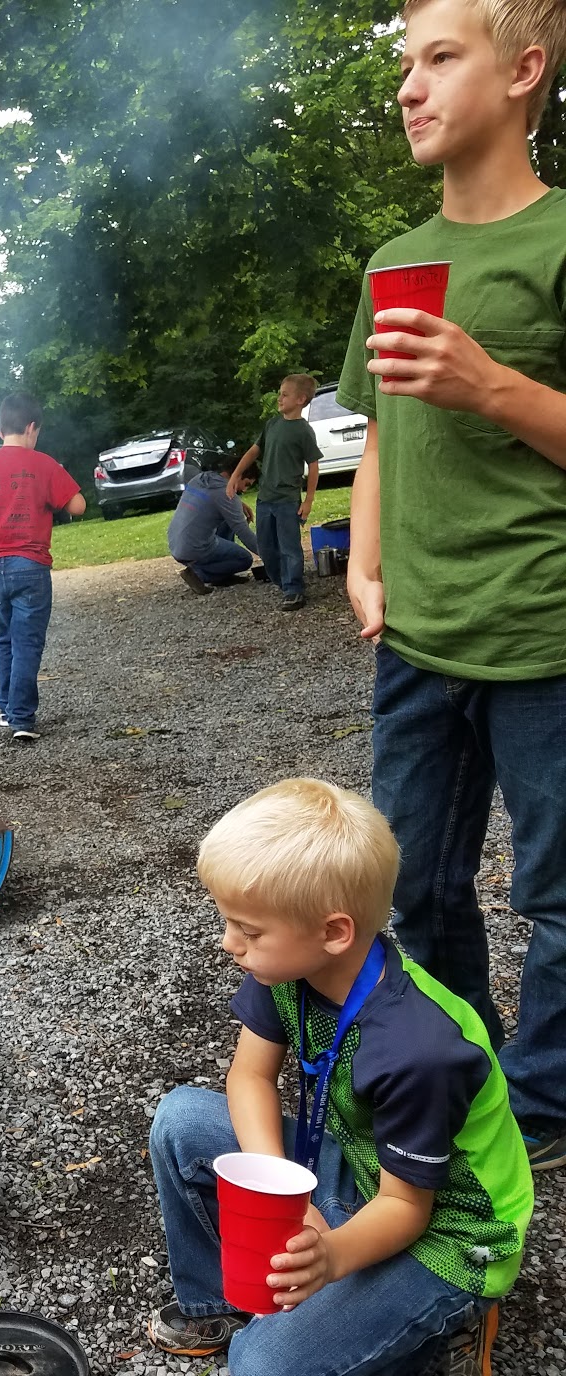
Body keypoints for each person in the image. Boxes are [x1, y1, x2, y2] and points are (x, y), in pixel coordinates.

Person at [336, 0, 566, 1173]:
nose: (409, 88)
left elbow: (484, 405)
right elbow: (378, 432)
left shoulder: (562, 243)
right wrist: (365, 562)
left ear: (523, 70)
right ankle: (457, 1074)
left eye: (440, 59)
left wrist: (497, 387)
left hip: (545, 635)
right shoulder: (393, 262)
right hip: (415, 638)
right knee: (410, 890)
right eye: (404, 66)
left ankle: (541, 1105)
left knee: (560, 896)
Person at [147, 779, 532, 1376]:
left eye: (247, 928)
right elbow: (249, 1077)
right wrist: (283, 1196)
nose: (227, 943)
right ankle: (224, 1299)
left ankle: (427, 1358)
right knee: (181, 1120)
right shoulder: (288, 966)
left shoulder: (418, 1049)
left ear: (334, 931)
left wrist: (330, 1258)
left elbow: (409, 1210)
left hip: (451, 1226)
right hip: (366, 1169)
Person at [0, 392, 86, 743]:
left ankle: (5, 707)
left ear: (1, 431)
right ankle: (22, 718)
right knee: (28, 641)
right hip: (30, 563)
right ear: (32, 428)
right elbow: (78, 506)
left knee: (6, 638)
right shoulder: (42, 464)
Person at [228, 375, 321, 611]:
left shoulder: (303, 431)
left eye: (285, 394)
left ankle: (294, 589)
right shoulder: (271, 425)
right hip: (265, 500)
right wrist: (235, 475)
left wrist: (308, 500)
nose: (279, 398)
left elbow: (313, 465)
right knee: (267, 547)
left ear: (300, 399)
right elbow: (253, 451)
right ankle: (283, 583)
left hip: (287, 500)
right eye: (280, 393)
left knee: (289, 547)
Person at [167, 453, 262, 596]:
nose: (244, 490)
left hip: (175, 543)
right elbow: (244, 533)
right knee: (244, 559)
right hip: (195, 548)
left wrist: (239, 504)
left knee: (228, 520)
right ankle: (200, 574)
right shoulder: (227, 496)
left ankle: (213, 571)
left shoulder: (200, 479)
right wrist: (269, 556)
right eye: (246, 484)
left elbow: (211, 498)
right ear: (238, 474)